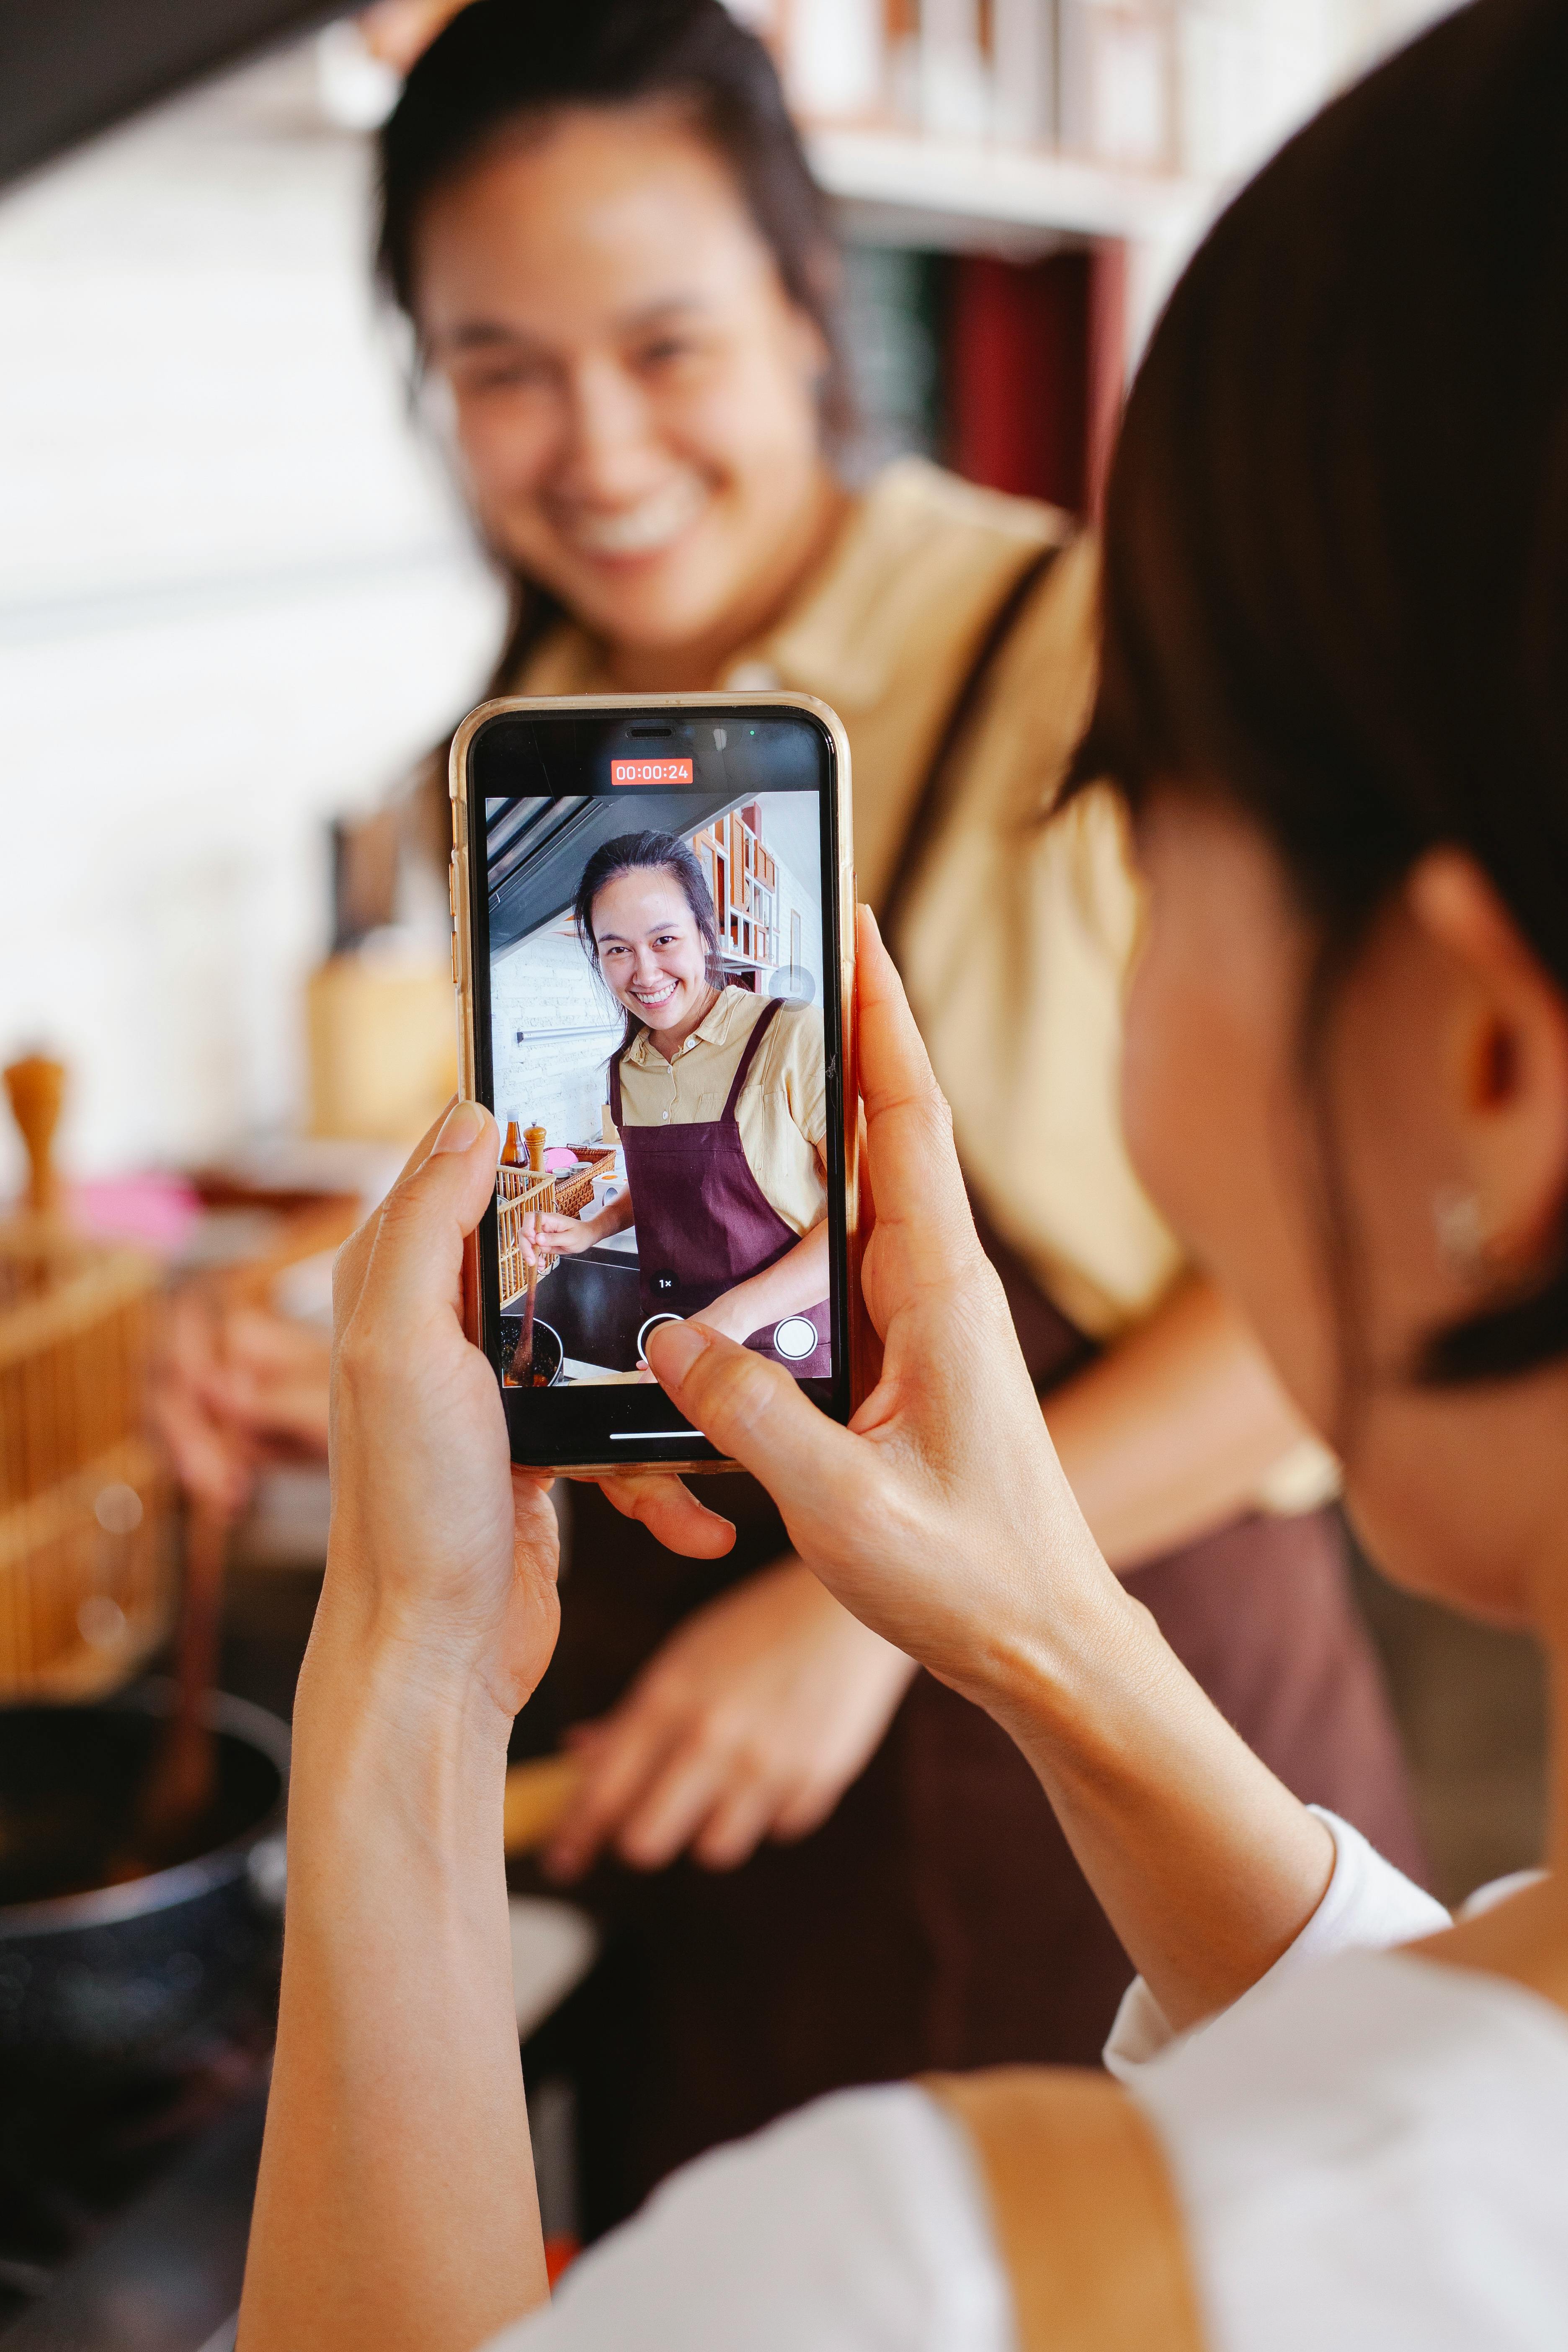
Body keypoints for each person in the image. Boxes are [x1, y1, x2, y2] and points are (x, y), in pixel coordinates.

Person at [238, 3, 1568, 2340]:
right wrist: (1036, 1634)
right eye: (502, 365)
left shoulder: (921, 2272)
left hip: (1016, 1867)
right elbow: (1410, 2056)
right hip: (758, 1823)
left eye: (664, 342)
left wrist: (414, 1680)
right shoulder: (526, 741)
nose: (597, 439)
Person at [520, 832, 833, 1373]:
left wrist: (725, 1323)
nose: (644, 973)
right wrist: (591, 1229)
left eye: (664, 940)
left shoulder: (791, 1034)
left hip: (791, 1351)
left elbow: (862, 1216)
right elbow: (667, 1194)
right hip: (670, 1340)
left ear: (704, 935)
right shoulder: (628, 1068)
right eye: (618, 949)